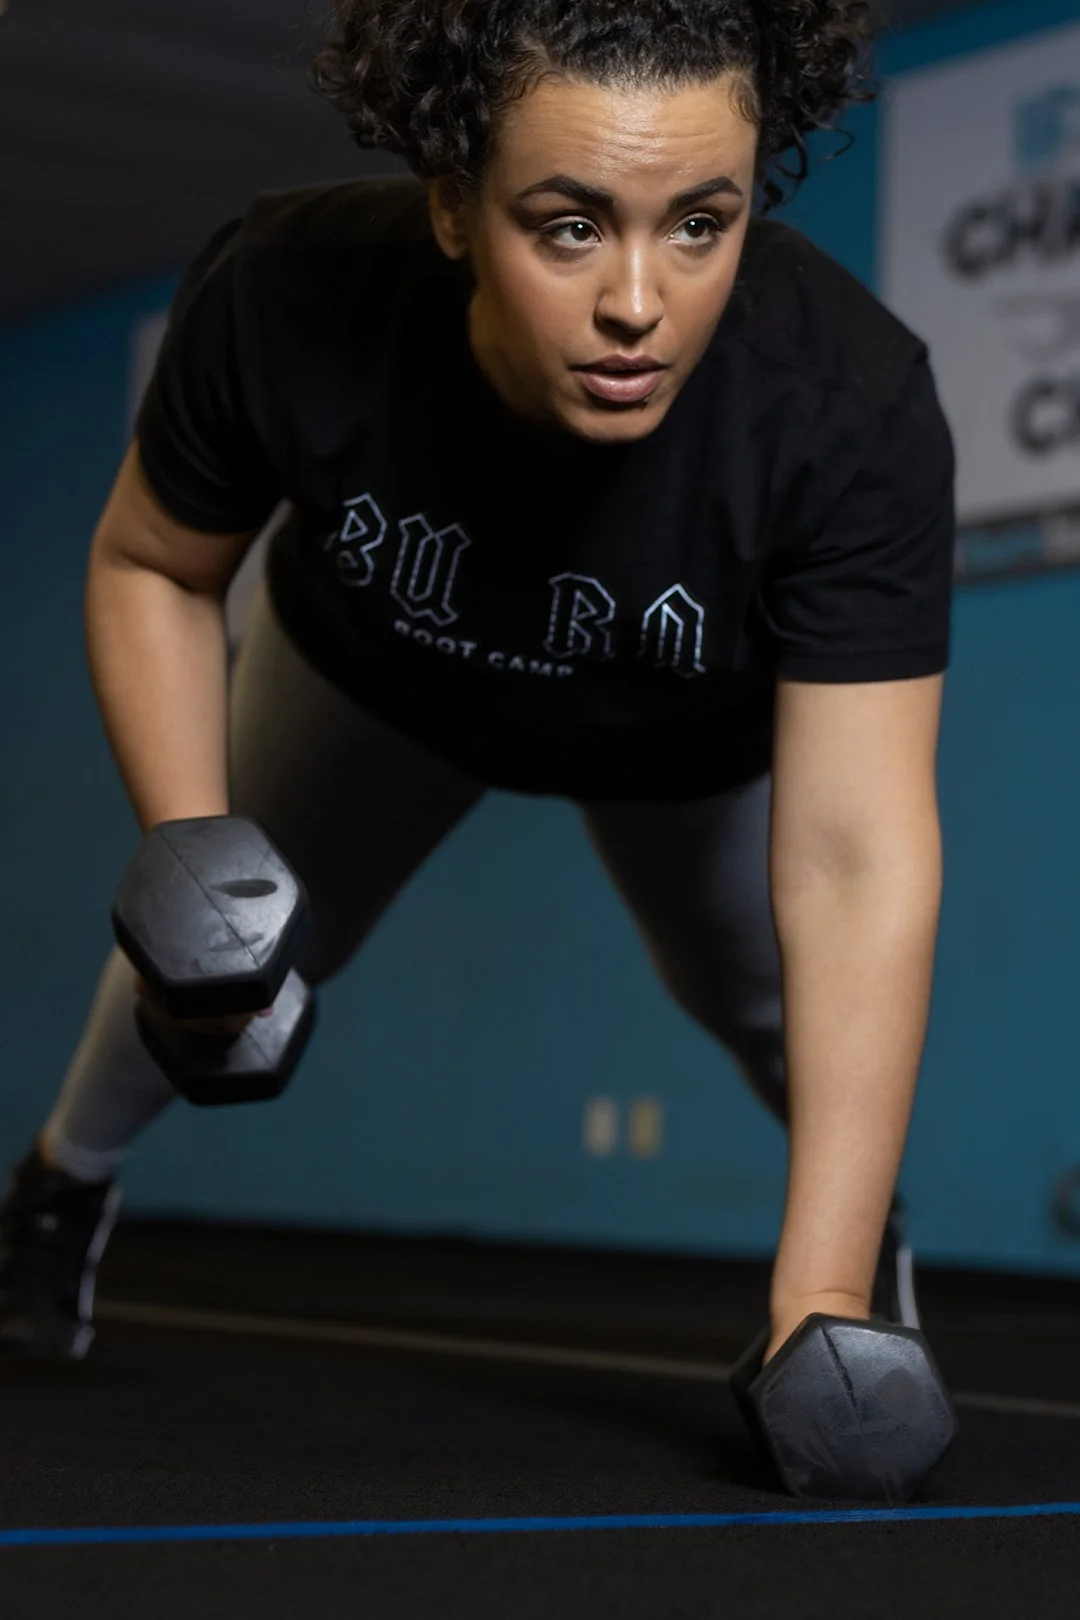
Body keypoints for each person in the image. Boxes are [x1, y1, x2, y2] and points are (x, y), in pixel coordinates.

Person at [0, 0, 952, 1371]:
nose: (639, 302)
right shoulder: (286, 289)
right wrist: (187, 842)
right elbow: (151, 563)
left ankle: (850, 1251)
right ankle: (60, 1183)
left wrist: (817, 1310)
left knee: (760, 1004)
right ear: (454, 205)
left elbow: (859, 860)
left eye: (702, 222)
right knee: (223, 942)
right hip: (378, 671)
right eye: (569, 225)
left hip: (679, 730)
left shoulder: (848, 410)